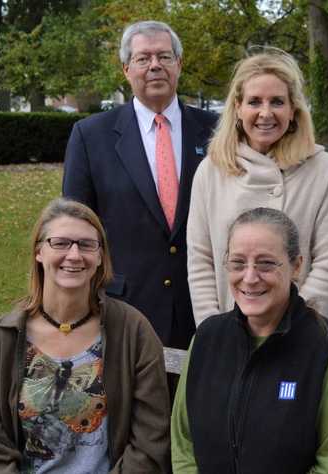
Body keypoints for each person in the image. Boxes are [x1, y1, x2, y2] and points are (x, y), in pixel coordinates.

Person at [0, 198, 170, 473]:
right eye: (60, 243)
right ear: (39, 252)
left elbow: (150, 439)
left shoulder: (133, 332)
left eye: (86, 244)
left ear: (99, 257)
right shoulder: (3, 338)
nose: (74, 255)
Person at [63, 20, 217, 351]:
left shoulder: (217, 131)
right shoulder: (91, 136)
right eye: (143, 58)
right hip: (123, 309)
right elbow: (75, 227)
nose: (155, 66)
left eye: (164, 56)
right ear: (126, 68)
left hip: (204, 307)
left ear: (180, 63)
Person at [172, 207, 328, 473]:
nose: (249, 277)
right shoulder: (206, 340)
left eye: (266, 263)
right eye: (238, 263)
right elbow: (183, 443)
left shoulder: (326, 348)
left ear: (296, 265)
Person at [187, 49, 328, 326]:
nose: (265, 113)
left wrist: (295, 324)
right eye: (254, 102)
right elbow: (200, 260)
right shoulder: (211, 171)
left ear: (293, 109)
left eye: (277, 101)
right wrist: (212, 328)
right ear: (238, 108)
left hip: (300, 331)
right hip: (228, 330)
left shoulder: (322, 169)